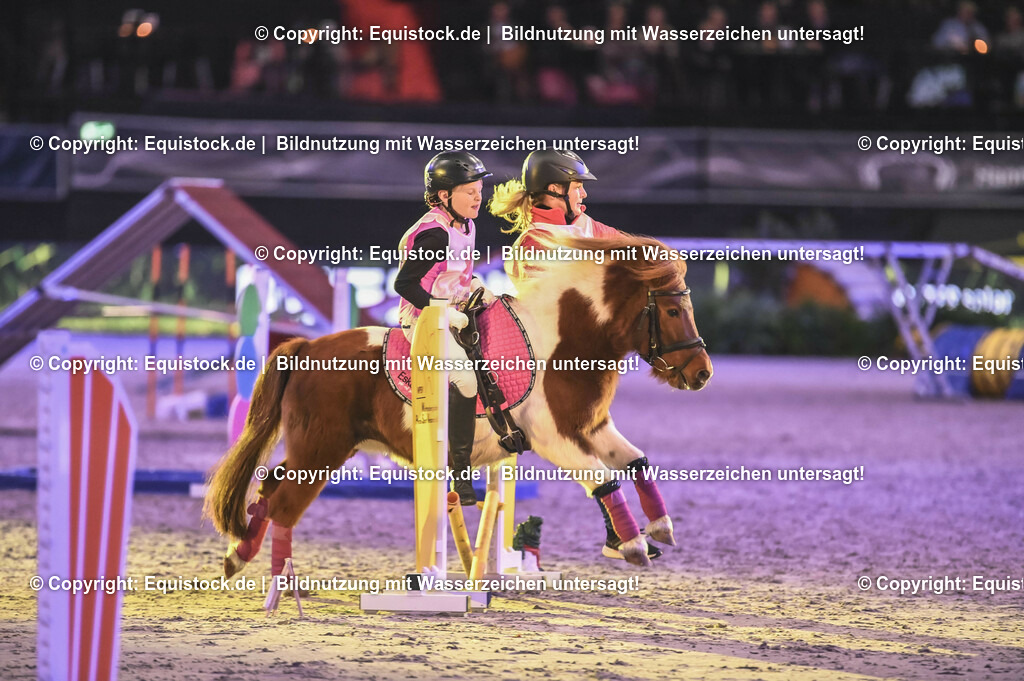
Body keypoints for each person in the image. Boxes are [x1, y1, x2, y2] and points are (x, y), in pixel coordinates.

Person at [488, 149, 664, 561]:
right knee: (575, 436)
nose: (583, 194)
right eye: (577, 186)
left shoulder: (585, 225)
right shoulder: (531, 245)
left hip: (585, 361)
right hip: (547, 363)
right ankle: (617, 533)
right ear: (554, 190)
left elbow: (628, 252)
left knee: (595, 432)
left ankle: (617, 535)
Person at [394, 151, 492, 505]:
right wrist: (440, 312)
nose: (478, 197)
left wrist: (477, 288)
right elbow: (404, 285)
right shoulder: (434, 234)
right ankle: (461, 474)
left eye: (480, 188)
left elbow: (457, 278)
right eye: (469, 191)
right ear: (444, 196)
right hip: (420, 318)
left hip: (452, 308)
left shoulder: (467, 225)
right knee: (465, 379)